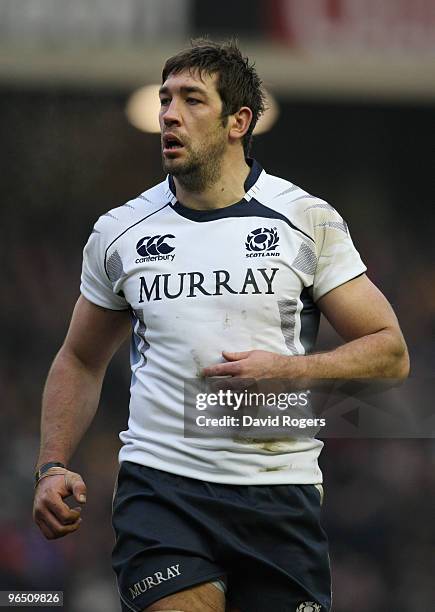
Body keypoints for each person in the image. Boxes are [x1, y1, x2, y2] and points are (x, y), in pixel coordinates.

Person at [33, 39, 409, 612]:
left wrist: (291, 371)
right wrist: (53, 463)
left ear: (239, 121)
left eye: (191, 100)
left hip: (278, 491)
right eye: (164, 100)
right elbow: (80, 359)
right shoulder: (120, 231)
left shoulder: (305, 221)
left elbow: (390, 352)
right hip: (163, 488)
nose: (169, 115)